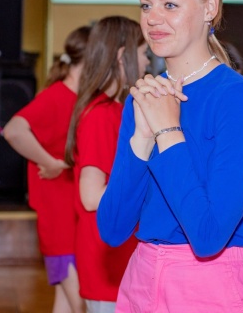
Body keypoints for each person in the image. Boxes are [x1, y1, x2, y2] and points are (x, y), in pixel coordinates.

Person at [97, 0, 243, 312]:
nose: (153, 18)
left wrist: (168, 131)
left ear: (210, 8)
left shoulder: (236, 97)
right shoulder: (144, 97)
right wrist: (141, 139)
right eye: (146, 5)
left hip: (213, 287)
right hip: (143, 280)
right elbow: (112, 228)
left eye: (170, 5)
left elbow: (208, 236)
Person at [64, 16, 150, 313]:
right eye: (143, 53)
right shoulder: (101, 114)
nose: (147, 62)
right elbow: (90, 196)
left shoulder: (113, 109)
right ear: (122, 55)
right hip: (106, 257)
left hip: (114, 253)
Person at [3, 25, 91, 313]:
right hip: (58, 218)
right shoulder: (56, 96)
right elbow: (14, 130)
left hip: (71, 215)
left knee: (66, 304)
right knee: (80, 304)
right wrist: (49, 162)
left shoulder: (80, 99)